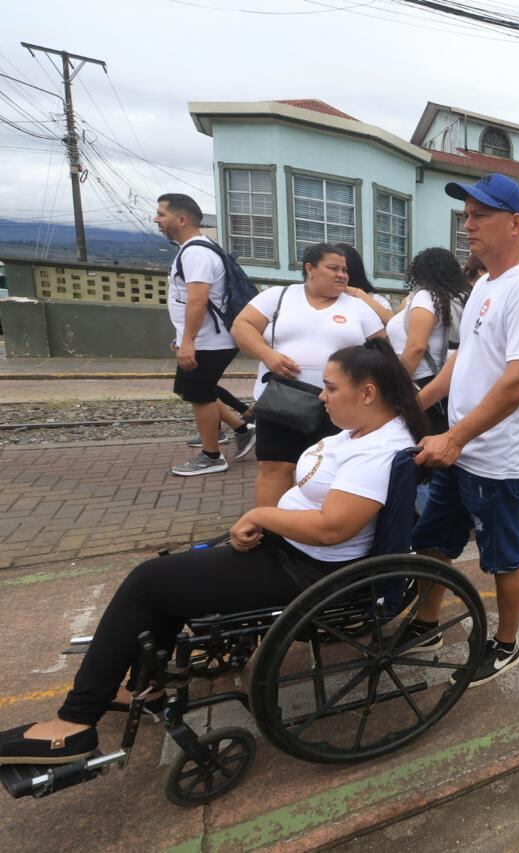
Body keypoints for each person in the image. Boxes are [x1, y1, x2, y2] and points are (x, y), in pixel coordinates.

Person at [0, 340, 428, 766]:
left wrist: (261, 515)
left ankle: (75, 724)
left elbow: (333, 528)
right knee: (167, 580)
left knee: (148, 581)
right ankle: (145, 688)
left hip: (308, 568)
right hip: (290, 549)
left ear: (367, 393)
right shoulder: (363, 430)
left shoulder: (376, 452)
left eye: (331, 388)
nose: (321, 396)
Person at [409, 173, 519, 685]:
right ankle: (426, 624)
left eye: (480, 215)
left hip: (498, 459)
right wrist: (413, 406)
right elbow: (459, 361)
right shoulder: (484, 286)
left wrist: (454, 437)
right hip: (461, 449)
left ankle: (506, 644)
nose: (467, 225)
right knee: (431, 543)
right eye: (466, 215)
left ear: (515, 224)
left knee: (503, 559)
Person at [232, 243, 385, 508]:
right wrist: (268, 356)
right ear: (310, 269)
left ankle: (319, 524)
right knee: (275, 466)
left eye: (345, 270)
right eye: (333, 268)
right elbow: (241, 326)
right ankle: (270, 528)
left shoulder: (358, 307)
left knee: (330, 470)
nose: (342, 275)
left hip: (339, 405)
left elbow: (382, 348)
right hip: (282, 401)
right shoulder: (279, 296)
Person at [154, 193, 254, 475]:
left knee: (201, 396)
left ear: (181, 219)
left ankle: (212, 456)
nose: (156, 219)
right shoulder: (198, 248)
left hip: (209, 341)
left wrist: (188, 341)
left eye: (161, 214)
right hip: (207, 338)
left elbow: (198, 301)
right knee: (198, 392)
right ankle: (243, 429)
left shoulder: (196, 253)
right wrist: (182, 337)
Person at [385, 248, 469, 443]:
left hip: (417, 382)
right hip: (437, 381)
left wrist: (397, 385)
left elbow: (416, 347)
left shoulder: (425, 297)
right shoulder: (447, 298)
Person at [336, 242, 394, 323]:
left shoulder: (374, 299)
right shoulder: (323, 298)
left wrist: (358, 293)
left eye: (344, 270)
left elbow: (392, 322)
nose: (339, 275)